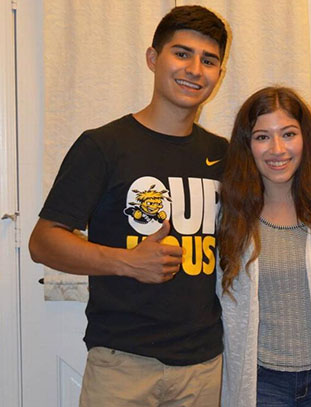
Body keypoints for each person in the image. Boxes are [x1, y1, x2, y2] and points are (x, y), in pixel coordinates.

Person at [29, 6, 229, 407]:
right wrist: (126, 261)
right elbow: (43, 242)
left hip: (202, 366)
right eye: (182, 53)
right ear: (153, 59)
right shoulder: (103, 146)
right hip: (121, 365)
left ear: (219, 74)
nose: (194, 69)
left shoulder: (223, 154)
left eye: (209, 60)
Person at [217, 86, 311, 407]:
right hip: (261, 383)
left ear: (305, 139)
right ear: (247, 144)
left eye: (288, 134)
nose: (277, 149)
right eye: (262, 137)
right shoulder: (228, 214)